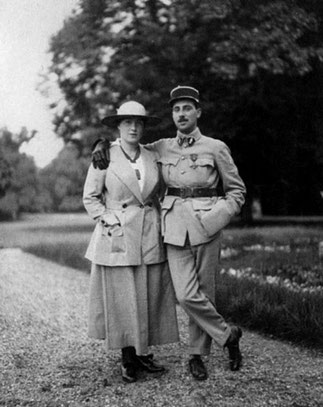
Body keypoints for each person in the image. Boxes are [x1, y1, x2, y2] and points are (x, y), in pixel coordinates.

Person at [92, 86, 246, 380]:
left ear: (198, 112)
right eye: (176, 109)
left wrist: (218, 217)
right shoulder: (161, 147)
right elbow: (129, 148)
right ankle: (229, 335)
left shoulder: (216, 147)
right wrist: (101, 143)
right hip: (173, 229)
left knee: (205, 293)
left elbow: (237, 191)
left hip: (207, 227)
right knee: (186, 295)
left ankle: (197, 356)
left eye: (187, 108)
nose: (181, 114)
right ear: (172, 115)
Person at [83, 101, 179, 384]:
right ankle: (127, 356)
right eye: (127, 122)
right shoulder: (105, 156)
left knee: (148, 291)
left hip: (149, 231)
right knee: (122, 295)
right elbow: (90, 197)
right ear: (118, 127)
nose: (134, 127)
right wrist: (108, 218)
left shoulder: (152, 155)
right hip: (118, 233)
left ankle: (142, 352)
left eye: (139, 123)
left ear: (144, 127)